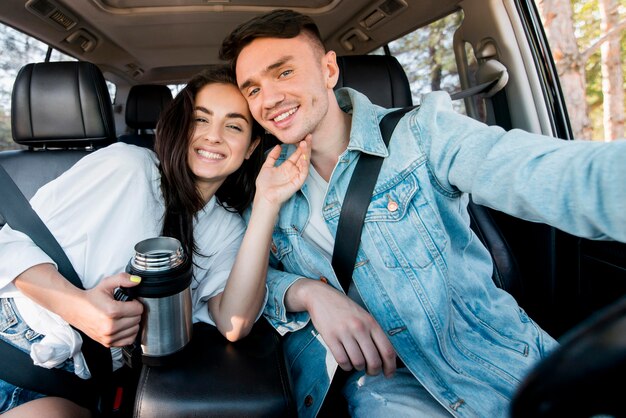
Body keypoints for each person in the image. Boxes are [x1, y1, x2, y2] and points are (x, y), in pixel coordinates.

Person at [219, 9, 626, 418]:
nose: (268, 99)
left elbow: (553, 174)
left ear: (328, 69)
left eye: (284, 73)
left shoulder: (424, 134)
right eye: (251, 89)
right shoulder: (266, 187)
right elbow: (250, 283)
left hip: (495, 362)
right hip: (384, 384)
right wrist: (306, 292)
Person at [0, 65, 310, 417]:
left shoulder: (226, 228)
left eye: (235, 126)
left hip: (70, 383)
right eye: (201, 120)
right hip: (11, 336)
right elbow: (6, 247)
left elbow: (234, 323)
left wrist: (267, 203)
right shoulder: (127, 166)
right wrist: (79, 307)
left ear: (252, 145)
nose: (214, 136)